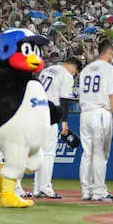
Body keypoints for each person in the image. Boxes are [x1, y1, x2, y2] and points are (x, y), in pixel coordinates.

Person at [77, 40, 113, 201]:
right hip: (101, 113)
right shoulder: (110, 70)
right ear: (110, 52)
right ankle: (99, 192)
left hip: (85, 113)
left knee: (87, 154)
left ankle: (86, 191)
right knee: (100, 154)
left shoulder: (86, 69)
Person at [34, 56, 79, 198]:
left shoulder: (47, 70)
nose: (74, 74)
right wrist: (64, 121)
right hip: (50, 112)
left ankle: (37, 188)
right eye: (76, 72)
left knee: (39, 152)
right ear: (74, 67)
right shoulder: (66, 75)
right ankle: (45, 187)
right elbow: (64, 100)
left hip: (36, 110)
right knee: (48, 153)